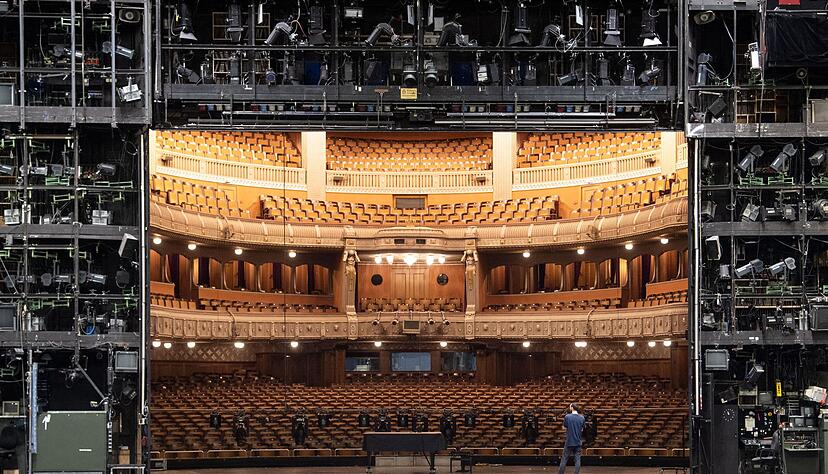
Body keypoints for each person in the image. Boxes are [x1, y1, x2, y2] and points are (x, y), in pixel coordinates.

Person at [558, 403, 585, 474]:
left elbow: (564, 427)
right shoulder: (582, 417)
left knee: (564, 459)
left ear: (572, 408)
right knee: (577, 459)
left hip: (569, 441)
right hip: (578, 441)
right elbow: (582, 429)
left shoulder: (567, 417)